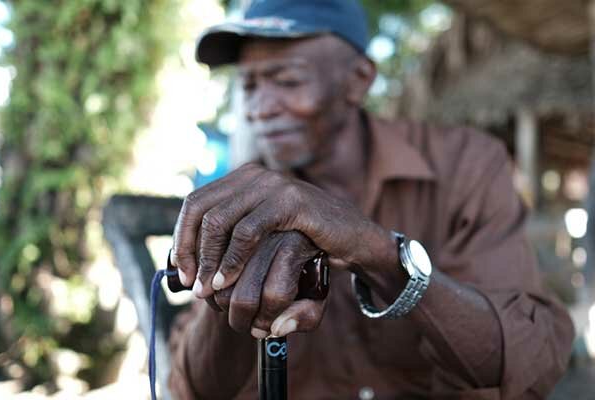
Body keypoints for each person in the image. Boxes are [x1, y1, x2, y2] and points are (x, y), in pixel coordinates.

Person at [167, 0, 574, 398]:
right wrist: (231, 288)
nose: (260, 109)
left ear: (358, 79)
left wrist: (378, 253)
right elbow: (192, 390)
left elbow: (527, 359)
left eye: (287, 81)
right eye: (249, 86)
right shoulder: (248, 204)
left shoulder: (466, 165)